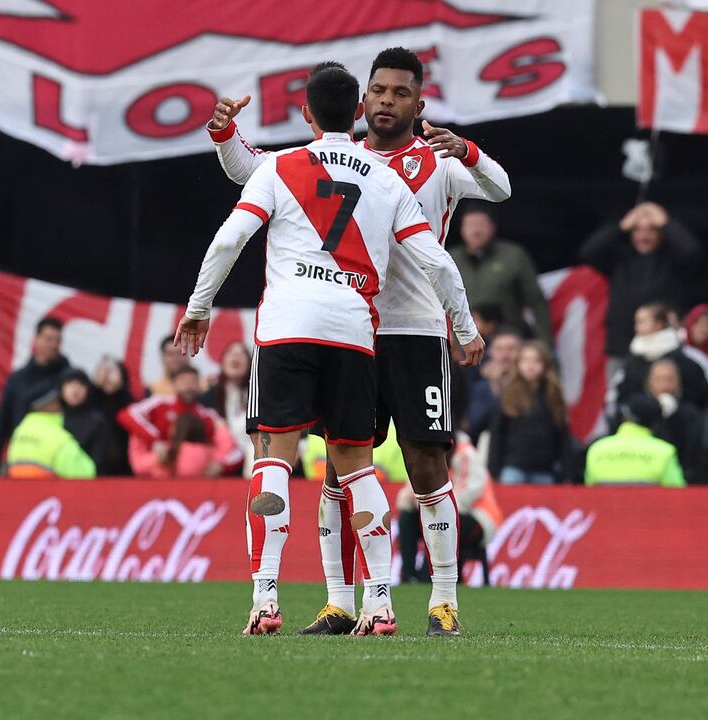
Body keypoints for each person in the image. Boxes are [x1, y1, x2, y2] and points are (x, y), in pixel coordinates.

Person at [208, 49, 505, 637]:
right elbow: (253, 168)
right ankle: (340, 602)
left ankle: (443, 601)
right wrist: (224, 135)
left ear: (419, 105)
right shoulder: (343, 160)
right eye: (378, 91)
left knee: (427, 463)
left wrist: (467, 149)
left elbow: (499, 188)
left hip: (418, 330)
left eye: (399, 93)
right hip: (356, 331)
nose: (386, 101)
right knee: (343, 468)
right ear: (361, 100)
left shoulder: (435, 163)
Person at [580, 200, 704, 359]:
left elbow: (692, 251)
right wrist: (621, 226)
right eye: (638, 230)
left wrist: (667, 223)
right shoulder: (619, 258)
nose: (644, 236)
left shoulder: (673, 258)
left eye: (651, 230)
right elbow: (588, 251)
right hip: (622, 347)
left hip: (664, 347)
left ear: (661, 233)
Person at [395, 429, 503, 583]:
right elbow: (409, 494)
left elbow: (469, 493)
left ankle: (429, 577)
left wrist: (434, 504)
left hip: (476, 517)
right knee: (407, 516)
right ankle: (409, 575)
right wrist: (423, 502)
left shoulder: (466, 454)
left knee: (442, 521)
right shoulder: (425, 454)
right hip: (440, 512)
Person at [449, 204, 552, 345]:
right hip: (463, 341)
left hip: (508, 338)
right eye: (470, 225)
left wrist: (545, 345)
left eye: (481, 224)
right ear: (461, 229)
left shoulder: (514, 255)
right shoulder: (449, 259)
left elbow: (536, 301)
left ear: (493, 227)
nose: (476, 230)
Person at [119, 367, 242, 478]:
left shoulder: (208, 416)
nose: (188, 386)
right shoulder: (159, 404)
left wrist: (221, 465)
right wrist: (155, 441)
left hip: (199, 480)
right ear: (174, 385)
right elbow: (126, 415)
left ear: (199, 386)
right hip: (158, 477)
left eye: (193, 382)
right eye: (184, 382)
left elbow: (235, 449)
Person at [0, 317, 70, 475]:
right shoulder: (17, 380)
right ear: (36, 340)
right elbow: (1, 426)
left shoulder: (68, 379)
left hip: (55, 467)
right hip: (20, 464)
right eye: (49, 339)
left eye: (58, 340)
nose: (54, 345)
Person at [488, 341, 570, 485]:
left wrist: (566, 471)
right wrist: (493, 470)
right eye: (525, 360)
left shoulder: (553, 396)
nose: (530, 366)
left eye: (536, 361)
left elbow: (562, 435)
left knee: (543, 507)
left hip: (545, 469)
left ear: (545, 365)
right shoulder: (508, 394)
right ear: (518, 364)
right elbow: (497, 434)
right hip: (513, 467)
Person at [614, 302, 708, 412]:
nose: (637, 327)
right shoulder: (632, 362)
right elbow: (619, 398)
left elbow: (705, 397)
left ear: (659, 324)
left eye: (642, 322)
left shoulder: (687, 358)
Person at [585, 394, 686, 487]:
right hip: (650, 507)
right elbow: (677, 495)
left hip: (605, 507)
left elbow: (588, 494)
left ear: (624, 417)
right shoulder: (664, 452)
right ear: (655, 423)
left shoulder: (596, 449)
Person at [5, 389, 96, 479]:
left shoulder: (20, 430)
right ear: (44, 406)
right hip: (48, 491)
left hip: (18, 491)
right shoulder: (57, 437)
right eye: (54, 402)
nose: (59, 405)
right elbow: (84, 473)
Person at [200, 340, 253, 475]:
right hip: (218, 462)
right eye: (230, 353)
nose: (236, 357)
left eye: (242, 354)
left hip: (251, 461)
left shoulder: (260, 396)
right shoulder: (208, 397)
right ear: (222, 362)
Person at [644, 358, 702, 470]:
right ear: (649, 383)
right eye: (658, 379)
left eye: (669, 379)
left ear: (678, 382)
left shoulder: (691, 414)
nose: (664, 385)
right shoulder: (639, 414)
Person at [466, 331, 522, 440]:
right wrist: (495, 384)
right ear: (490, 352)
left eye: (511, 349)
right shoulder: (481, 387)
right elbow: (474, 424)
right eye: (499, 349)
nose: (505, 355)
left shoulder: (531, 385)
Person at [92, 357, 134, 476]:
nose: (107, 377)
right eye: (103, 371)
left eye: (112, 371)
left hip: (125, 467)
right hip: (95, 468)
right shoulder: (90, 401)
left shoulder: (129, 403)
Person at [59, 368, 108, 470]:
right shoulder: (52, 418)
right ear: (61, 388)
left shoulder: (97, 421)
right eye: (70, 383)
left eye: (81, 384)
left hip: (86, 479)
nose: (75, 389)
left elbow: (99, 460)